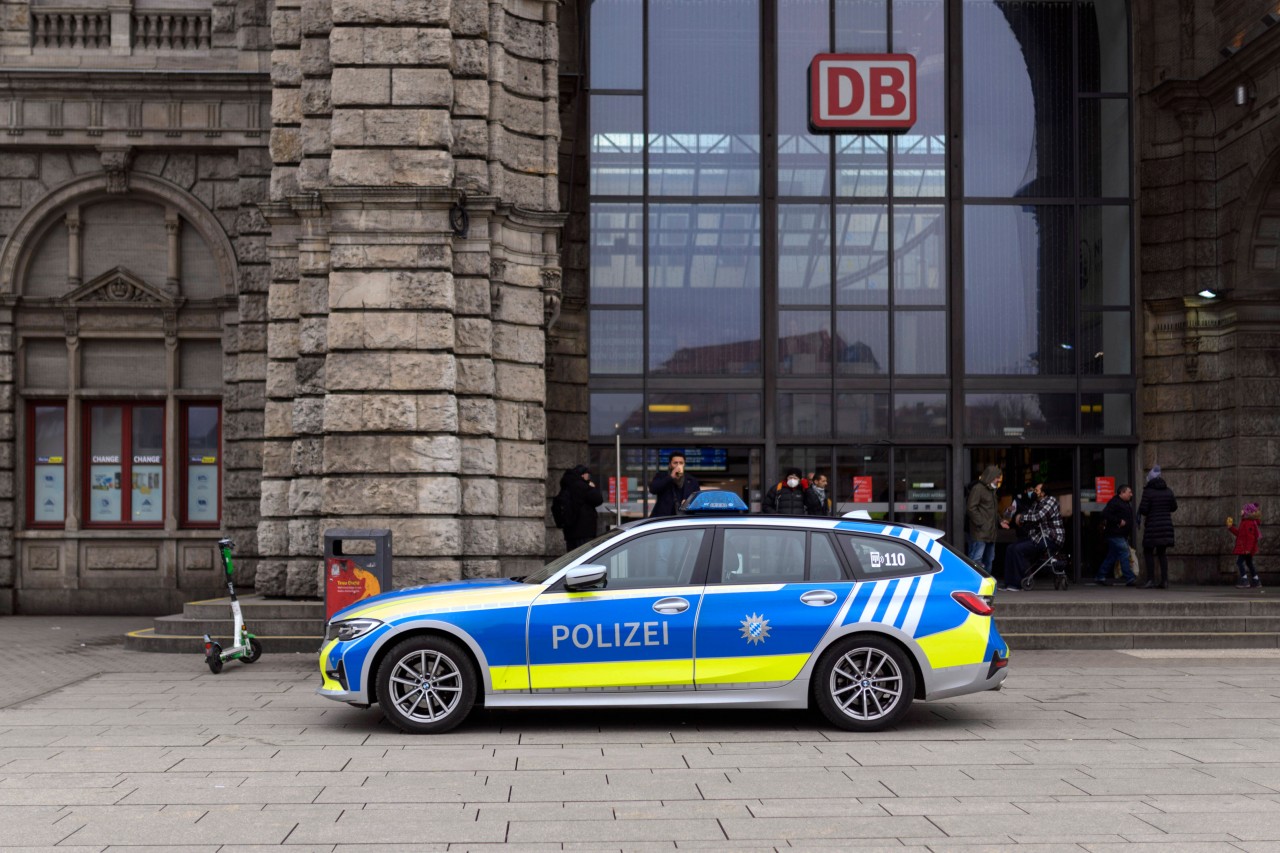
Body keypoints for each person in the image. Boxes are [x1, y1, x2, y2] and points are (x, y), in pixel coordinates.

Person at [1003, 482, 1064, 592]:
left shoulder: (1051, 501)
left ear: (1043, 493)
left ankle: (1017, 584)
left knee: (1018, 550)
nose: (1034, 493)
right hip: (1039, 537)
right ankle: (1009, 583)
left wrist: (1021, 518)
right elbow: (1028, 515)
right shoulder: (1036, 503)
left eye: (1036, 490)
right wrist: (1019, 518)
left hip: (1051, 538)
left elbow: (1038, 516)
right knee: (1010, 548)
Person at [1137, 465, 1177, 589]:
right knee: (1162, 553)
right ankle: (1164, 581)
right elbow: (1174, 507)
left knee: (1148, 551)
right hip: (1166, 526)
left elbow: (1144, 509)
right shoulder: (1168, 491)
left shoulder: (1148, 491)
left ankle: (1150, 579)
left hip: (1152, 526)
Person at [965, 466, 1008, 575]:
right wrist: (981, 523)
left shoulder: (992, 490)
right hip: (980, 533)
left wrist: (1000, 521)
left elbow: (992, 510)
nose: (999, 480)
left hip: (990, 533)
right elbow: (971, 508)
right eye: (997, 477)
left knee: (989, 560)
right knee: (976, 560)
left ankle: (986, 585)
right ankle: (974, 585)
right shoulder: (978, 489)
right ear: (991, 476)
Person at [1091, 484, 1136, 586]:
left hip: (1120, 534)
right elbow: (1105, 514)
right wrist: (1118, 521)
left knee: (1112, 556)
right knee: (1125, 553)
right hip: (1115, 534)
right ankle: (1130, 578)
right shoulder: (1115, 502)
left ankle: (1100, 576)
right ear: (1122, 493)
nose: (1131, 494)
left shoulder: (1125, 503)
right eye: (1129, 492)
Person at [557, 465, 604, 550]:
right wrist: (592, 487)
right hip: (584, 531)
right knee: (585, 556)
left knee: (573, 557)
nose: (589, 477)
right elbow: (598, 499)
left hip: (570, 531)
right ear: (583, 475)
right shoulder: (582, 486)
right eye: (588, 475)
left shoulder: (567, 484)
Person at [648, 451, 700, 517]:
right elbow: (653, 489)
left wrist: (688, 502)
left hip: (683, 518)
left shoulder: (692, 480)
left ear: (684, 464)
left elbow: (698, 500)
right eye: (675, 463)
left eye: (681, 463)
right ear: (670, 464)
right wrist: (670, 477)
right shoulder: (661, 476)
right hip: (663, 517)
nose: (678, 465)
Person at [1226, 503, 1262, 590]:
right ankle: (1256, 581)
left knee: (1239, 562)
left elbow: (1251, 537)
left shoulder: (1248, 523)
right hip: (1246, 548)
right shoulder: (1245, 522)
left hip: (1245, 548)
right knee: (1249, 563)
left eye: (1243, 509)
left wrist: (1248, 549)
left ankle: (1245, 580)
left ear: (1247, 512)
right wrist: (1230, 527)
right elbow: (1239, 534)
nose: (1241, 510)